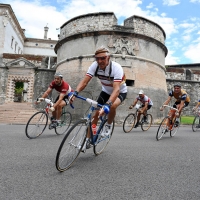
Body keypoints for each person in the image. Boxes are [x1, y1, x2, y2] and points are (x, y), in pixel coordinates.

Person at [70, 46, 127, 143]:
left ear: (108, 57)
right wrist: (75, 93)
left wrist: (107, 105)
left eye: (103, 58)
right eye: (97, 58)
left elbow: (116, 89)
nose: (100, 61)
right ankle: (89, 138)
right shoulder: (94, 66)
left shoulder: (116, 68)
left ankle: (108, 125)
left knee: (112, 106)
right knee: (95, 115)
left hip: (120, 92)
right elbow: (84, 82)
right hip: (105, 91)